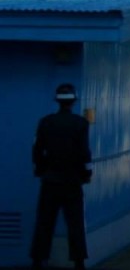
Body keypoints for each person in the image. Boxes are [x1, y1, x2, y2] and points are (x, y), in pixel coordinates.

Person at [30, 83, 93, 270]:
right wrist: (87, 173)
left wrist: (40, 170)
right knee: (75, 224)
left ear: (57, 101)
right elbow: (84, 152)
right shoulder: (81, 123)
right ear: (73, 102)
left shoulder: (45, 122)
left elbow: (37, 150)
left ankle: (38, 260)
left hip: (50, 181)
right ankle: (79, 262)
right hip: (72, 181)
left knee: (44, 222)